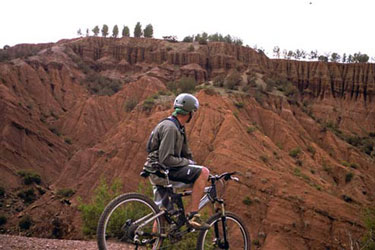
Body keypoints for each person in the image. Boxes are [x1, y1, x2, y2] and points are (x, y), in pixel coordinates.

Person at [144, 93, 210, 229]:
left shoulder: (177, 127)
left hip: (157, 171)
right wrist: (190, 165)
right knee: (204, 172)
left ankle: (153, 243)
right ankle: (193, 214)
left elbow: (186, 152)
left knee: (163, 211)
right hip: (161, 171)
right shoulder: (171, 128)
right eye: (193, 112)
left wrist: (192, 164)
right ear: (189, 112)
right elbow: (165, 158)